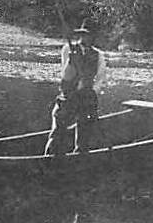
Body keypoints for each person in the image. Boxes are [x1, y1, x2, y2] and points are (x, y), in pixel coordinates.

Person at [44, 22, 107, 156]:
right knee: (58, 130)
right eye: (83, 35)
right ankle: (50, 157)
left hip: (86, 98)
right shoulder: (68, 49)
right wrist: (72, 61)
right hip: (68, 96)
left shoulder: (99, 55)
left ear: (93, 37)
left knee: (84, 132)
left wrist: (91, 92)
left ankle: (79, 158)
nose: (86, 38)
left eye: (89, 36)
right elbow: (66, 76)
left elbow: (100, 78)